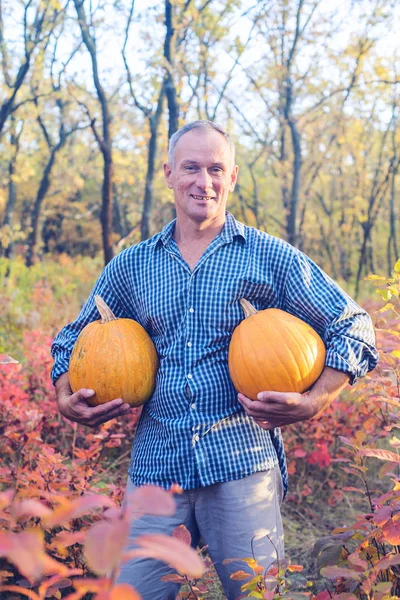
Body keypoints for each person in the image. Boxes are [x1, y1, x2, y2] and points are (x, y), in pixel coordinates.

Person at [51, 120, 378, 600]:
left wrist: (315, 399)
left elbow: (354, 324)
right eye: (191, 168)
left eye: (216, 169)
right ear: (168, 173)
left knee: (258, 595)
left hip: (241, 462)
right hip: (157, 467)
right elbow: (72, 339)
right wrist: (65, 395)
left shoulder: (269, 258)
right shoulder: (133, 265)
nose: (204, 182)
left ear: (233, 177)